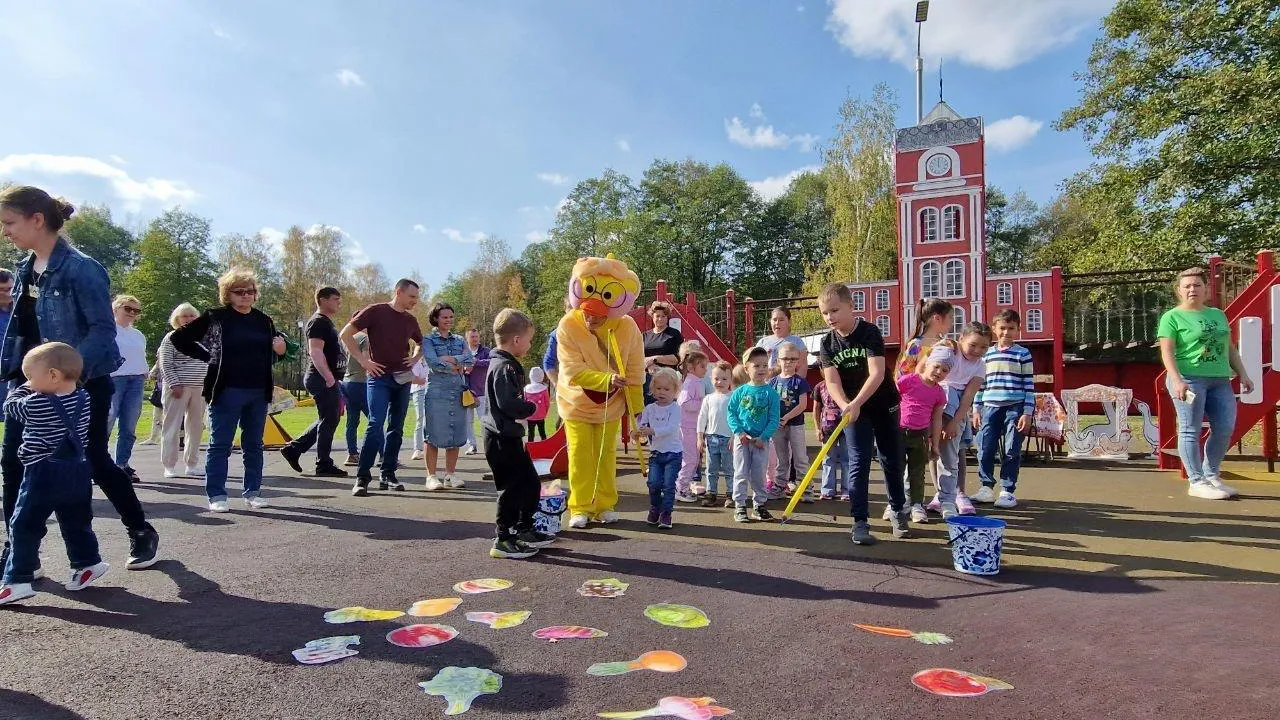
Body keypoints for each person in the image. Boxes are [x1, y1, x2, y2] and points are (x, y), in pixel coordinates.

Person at [0, 186, 158, 570]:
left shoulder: (81, 268)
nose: (5, 232)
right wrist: (18, 374)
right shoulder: (24, 269)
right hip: (33, 386)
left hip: (84, 384)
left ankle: (140, 530)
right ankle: (21, 554)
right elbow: (24, 331)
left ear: (37, 220)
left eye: (9, 223)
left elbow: (102, 331)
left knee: (92, 461)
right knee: (14, 461)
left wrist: (68, 377)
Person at [0, 343, 107, 605]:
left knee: (24, 524)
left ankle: (18, 578)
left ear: (52, 375)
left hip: (43, 472)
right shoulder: (84, 398)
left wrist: (20, 389)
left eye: (30, 377)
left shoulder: (37, 403)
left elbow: (10, 407)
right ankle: (87, 562)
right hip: (78, 472)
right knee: (76, 521)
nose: (28, 383)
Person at [170, 268, 286, 512]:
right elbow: (179, 339)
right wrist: (207, 355)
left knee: (254, 444)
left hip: (257, 389)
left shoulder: (264, 320)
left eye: (250, 291)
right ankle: (216, 494)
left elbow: (273, 352)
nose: (246, 296)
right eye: (239, 292)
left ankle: (253, 492)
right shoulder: (216, 317)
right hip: (226, 389)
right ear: (228, 294)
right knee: (220, 444)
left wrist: (281, 351)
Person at [817, 282, 910, 545]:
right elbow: (831, 382)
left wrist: (856, 402)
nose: (830, 317)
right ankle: (860, 521)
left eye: (834, 310)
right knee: (858, 462)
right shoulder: (827, 343)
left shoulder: (869, 332)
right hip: (854, 411)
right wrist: (846, 404)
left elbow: (877, 373)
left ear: (851, 306)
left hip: (883, 404)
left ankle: (897, 511)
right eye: (825, 313)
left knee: (891, 459)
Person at [556, 255, 645, 529]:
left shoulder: (628, 327)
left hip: (612, 404)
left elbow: (635, 368)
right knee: (581, 453)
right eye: (588, 309)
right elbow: (572, 369)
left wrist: (636, 410)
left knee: (606, 455)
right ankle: (580, 507)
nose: (592, 316)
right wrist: (606, 380)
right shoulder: (568, 325)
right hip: (576, 402)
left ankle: (605, 504)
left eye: (599, 312)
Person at [1158, 267, 1254, 500]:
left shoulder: (1217, 315)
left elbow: (1229, 348)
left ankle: (1211, 475)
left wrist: (1243, 373)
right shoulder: (1172, 317)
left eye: (1197, 285)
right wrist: (1177, 380)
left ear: (1206, 289)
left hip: (1219, 380)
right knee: (1190, 430)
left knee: (1225, 428)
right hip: (1189, 379)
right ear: (1179, 291)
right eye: (1187, 286)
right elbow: (1167, 352)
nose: (1192, 289)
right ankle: (1196, 481)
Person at [482, 309, 556, 559]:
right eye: (529, 339)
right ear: (516, 340)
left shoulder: (507, 365)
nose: (529, 344)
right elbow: (508, 403)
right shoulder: (503, 367)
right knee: (511, 487)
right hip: (500, 438)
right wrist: (531, 407)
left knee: (530, 482)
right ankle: (503, 538)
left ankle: (523, 528)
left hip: (510, 435)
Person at [340, 279, 423, 496]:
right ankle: (362, 477)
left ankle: (388, 474)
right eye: (412, 296)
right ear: (399, 292)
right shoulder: (375, 312)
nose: (416, 301)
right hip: (378, 378)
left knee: (396, 427)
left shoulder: (410, 320)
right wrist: (363, 361)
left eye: (417, 297)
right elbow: (345, 334)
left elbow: (422, 343)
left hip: (402, 379)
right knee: (375, 424)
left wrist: (414, 359)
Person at [281, 287, 347, 478]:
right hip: (321, 378)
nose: (338, 303)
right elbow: (315, 351)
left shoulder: (326, 322)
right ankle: (323, 464)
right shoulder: (318, 322)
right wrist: (328, 377)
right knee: (329, 419)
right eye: (335, 299)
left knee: (328, 418)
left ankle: (294, 449)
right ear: (322, 300)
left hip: (327, 378)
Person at [972, 310, 1036, 509]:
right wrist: (976, 408)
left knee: (1011, 449)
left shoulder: (1023, 353)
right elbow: (979, 385)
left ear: (1018, 329)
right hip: (990, 407)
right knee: (985, 447)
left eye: (1011, 328)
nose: (1006, 332)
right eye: (1002, 328)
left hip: (1014, 408)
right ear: (994, 329)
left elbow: (1028, 385)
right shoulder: (986, 355)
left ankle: (1007, 490)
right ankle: (986, 487)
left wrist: (1027, 412)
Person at [927, 325, 990, 518]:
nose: (977, 351)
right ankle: (939, 492)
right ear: (961, 339)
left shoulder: (980, 365)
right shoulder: (949, 352)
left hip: (957, 410)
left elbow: (968, 397)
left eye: (984, 347)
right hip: (936, 403)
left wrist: (954, 422)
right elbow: (927, 368)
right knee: (933, 448)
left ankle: (956, 493)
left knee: (953, 452)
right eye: (973, 345)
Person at [421, 303, 474, 491]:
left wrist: (450, 360)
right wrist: (456, 364)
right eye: (445, 317)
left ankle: (450, 474)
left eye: (451, 316)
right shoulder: (428, 339)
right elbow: (433, 363)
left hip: (457, 390)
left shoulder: (460, 339)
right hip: (436, 391)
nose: (449, 320)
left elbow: (470, 359)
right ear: (436, 318)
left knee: (456, 432)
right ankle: (431, 476)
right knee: (433, 434)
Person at [895, 346, 949, 524]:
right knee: (896, 470)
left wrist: (934, 445)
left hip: (920, 436)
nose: (939, 372)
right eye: (936, 367)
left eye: (945, 370)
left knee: (917, 472)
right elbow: (891, 399)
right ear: (926, 364)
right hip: (899, 433)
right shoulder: (908, 381)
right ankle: (895, 503)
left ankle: (917, 504)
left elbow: (937, 419)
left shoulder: (939, 393)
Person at [727, 346, 780, 523]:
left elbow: (774, 419)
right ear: (746, 368)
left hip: (760, 442)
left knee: (759, 474)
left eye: (764, 365)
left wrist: (764, 437)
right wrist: (739, 432)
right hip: (742, 440)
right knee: (740, 473)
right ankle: (740, 506)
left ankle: (759, 506)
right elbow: (731, 414)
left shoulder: (771, 393)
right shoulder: (739, 392)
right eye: (756, 366)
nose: (761, 369)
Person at [157, 303, 208, 478]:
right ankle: (169, 465)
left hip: (200, 388)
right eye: (184, 316)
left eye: (192, 316)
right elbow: (165, 363)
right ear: (177, 320)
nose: (188, 319)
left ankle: (192, 463)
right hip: (178, 387)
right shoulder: (171, 338)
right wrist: (174, 384)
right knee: (171, 426)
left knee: (195, 427)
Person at [634, 367, 683, 529]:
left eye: (666, 389)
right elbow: (642, 425)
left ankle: (666, 513)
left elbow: (671, 428)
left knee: (668, 485)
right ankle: (655, 508)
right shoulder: (650, 409)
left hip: (673, 454)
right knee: (653, 484)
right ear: (653, 390)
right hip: (656, 454)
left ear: (675, 391)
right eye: (658, 388)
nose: (662, 392)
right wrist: (637, 431)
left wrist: (652, 431)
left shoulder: (675, 409)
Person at [107, 294, 147, 483]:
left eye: (136, 311)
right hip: (115, 379)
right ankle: (98, 463)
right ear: (116, 309)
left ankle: (122, 464)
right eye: (128, 309)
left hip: (136, 379)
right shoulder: (108, 330)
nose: (132, 313)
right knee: (107, 420)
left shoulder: (138, 334)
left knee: (129, 425)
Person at [769, 342, 812, 502]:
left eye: (793, 359)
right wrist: (775, 419)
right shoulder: (772, 382)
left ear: (798, 361)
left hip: (796, 425)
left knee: (800, 457)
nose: (788, 362)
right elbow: (770, 403)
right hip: (778, 426)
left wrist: (787, 417)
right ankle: (780, 486)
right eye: (785, 358)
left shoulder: (800, 382)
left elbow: (802, 405)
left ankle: (805, 488)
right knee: (782, 458)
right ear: (778, 360)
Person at [696, 361, 734, 508]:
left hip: (728, 439)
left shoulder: (733, 397)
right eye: (717, 378)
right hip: (711, 438)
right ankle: (711, 493)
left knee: (730, 469)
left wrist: (734, 436)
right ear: (711, 379)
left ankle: (731, 494)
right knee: (711, 469)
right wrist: (700, 437)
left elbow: (737, 419)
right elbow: (702, 418)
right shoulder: (708, 398)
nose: (720, 382)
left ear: (730, 380)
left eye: (724, 379)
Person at [675, 349, 707, 503]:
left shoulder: (694, 381)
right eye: (702, 366)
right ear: (691, 367)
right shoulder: (691, 382)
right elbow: (684, 402)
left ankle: (682, 486)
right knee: (690, 459)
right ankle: (681, 488)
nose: (705, 370)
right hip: (687, 427)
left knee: (692, 459)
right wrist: (703, 403)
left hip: (692, 426)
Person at [895, 298, 954, 379]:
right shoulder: (916, 345)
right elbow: (903, 375)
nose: (952, 322)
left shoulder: (948, 345)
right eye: (950, 317)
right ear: (937, 318)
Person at [812, 379, 848, 501]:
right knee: (828, 459)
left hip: (846, 427)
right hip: (827, 428)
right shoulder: (820, 386)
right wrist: (817, 429)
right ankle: (827, 489)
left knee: (846, 459)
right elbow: (816, 408)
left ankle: (847, 490)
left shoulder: (847, 384)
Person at [340, 330, 372, 466]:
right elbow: (366, 360)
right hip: (361, 382)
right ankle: (383, 454)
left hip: (347, 381)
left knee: (352, 421)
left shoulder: (345, 338)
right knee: (375, 419)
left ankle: (352, 454)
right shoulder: (364, 338)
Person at [642, 301, 683, 404]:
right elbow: (637, 357)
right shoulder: (644, 336)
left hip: (667, 379)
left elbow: (678, 358)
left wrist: (654, 359)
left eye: (663, 316)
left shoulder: (674, 334)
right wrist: (648, 366)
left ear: (667, 317)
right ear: (652, 316)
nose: (660, 319)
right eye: (657, 316)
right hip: (647, 379)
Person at [462, 327, 491, 455]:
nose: (475, 339)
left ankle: (488, 445)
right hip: (465, 391)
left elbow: (492, 362)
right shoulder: (462, 352)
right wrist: (463, 369)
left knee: (484, 420)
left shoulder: (485, 351)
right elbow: (456, 365)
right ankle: (472, 445)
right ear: (467, 338)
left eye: (477, 337)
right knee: (468, 421)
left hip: (481, 391)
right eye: (472, 337)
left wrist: (476, 362)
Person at [756, 306, 808, 372]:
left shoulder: (797, 341)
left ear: (789, 322)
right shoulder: (762, 342)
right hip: (767, 380)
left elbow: (802, 367)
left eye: (781, 320)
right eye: (774, 320)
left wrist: (796, 382)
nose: (777, 323)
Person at [0, 269, 13, 422]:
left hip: (16, 371)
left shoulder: (23, 308)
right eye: (1, 290)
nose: (6, 293)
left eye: (9, 289)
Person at [523, 367, 550, 442]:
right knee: (542, 432)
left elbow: (524, 402)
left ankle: (530, 448)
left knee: (530, 433)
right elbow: (547, 403)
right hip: (541, 415)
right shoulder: (544, 389)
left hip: (530, 416)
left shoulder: (526, 389)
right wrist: (545, 413)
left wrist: (525, 414)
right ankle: (545, 445)